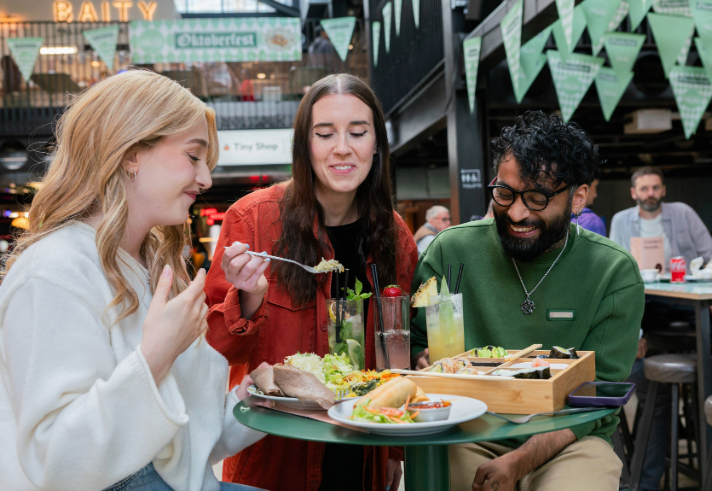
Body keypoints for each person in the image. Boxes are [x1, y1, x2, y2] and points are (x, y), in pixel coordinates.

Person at [0, 70, 266, 491]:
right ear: (131, 153)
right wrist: (155, 357)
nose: (206, 180)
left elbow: (186, 447)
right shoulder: (52, 272)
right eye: (193, 157)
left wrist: (255, 399)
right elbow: (57, 462)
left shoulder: (148, 267)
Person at [204, 74, 419, 491]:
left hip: (363, 451)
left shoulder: (394, 236)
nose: (343, 147)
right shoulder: (253, 221)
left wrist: (394, 451)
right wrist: (247, 298)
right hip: (274, 456)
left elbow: (398, 351)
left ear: (377, 144)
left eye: (358, 132)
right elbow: (214, 353)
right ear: (305, 145)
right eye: (325, 134)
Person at [410, 111, 644, 491]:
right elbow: (417, 346)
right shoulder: (451, 250)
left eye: (537, 198)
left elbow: (598, 397)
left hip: (571, 438)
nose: (517, 213)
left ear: (578, 197)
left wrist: (521, 460)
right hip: (466, 430)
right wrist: (422, 360)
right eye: (504, 193)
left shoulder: (613, 272)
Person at [610, 166, 712, 270]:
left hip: (683, 284)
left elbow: (710, 253)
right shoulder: (620, 220)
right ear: (633, 193)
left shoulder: (683, 213)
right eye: (644, 189)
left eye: (655, 188)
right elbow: (613, 262)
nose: (651, 193)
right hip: (638, 284)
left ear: (663, 190)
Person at [571, 171, 606, 236]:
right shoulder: (592, 221)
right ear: (583, 190)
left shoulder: (556, 218)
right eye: (595, 186)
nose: (595, 195)